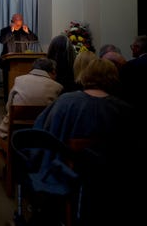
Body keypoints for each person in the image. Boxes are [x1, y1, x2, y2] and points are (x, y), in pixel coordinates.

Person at [33, 58, 136, 225]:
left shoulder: (66, 101)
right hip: (114, 181)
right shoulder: (124, 109)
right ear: (113, 77)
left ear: (86, 74)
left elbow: (43, 133)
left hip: (68, 174)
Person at [0, 58, 62, 140]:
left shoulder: (19, 80)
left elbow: (8, 106)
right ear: (52, 71)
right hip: (43, 133)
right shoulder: (57, 87)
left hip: (15, 131)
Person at [0, 13, 38, 100]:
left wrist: (28, 32)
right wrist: (11, 31)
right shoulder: (5, 30)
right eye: (17, 21)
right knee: (8, 84)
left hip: (23, 62)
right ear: (12, 21)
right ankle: (7, 101)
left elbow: (35, 39)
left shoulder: (25, 30)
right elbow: (2, 40)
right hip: (8, 62)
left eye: (21, 21)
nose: (19, 23)